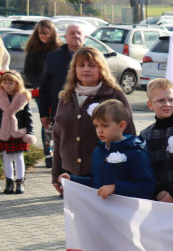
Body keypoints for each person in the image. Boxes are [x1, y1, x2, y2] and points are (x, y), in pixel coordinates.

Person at [60, 99, 154, 251]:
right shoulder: (99, 151)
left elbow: (146, 187)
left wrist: (117, 186)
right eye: (96, 126)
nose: (99, 131)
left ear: (121, 125)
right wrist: (73, 180)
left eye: (104, 125)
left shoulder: (135, 152)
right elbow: (96, 184)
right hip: (103, 224)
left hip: (128, 225)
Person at [51, 47, 135, 195]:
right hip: (71, 175)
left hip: (105, 177)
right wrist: (56, 174)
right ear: (74, 69)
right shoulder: (66, 97)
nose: (86, 69)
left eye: (92, 65)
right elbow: (58, 138)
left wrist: (122, 176)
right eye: (81, 65)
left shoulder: (114, 95)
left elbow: (129, 135)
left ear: (101, 68)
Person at [38, 23, 86, 168]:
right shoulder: (53, 57)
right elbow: (45, 87)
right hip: (61, 110)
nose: (75, 36)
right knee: (63, 148)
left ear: (85, 37)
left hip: (86, 111)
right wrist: (44, 113)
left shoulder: (93, 57)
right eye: (72, 33)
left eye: (79, 33)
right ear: (65, 37)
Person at [22, 19, 61, 169]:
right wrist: (38, 84)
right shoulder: (33, 50)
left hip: (57, 92)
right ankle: (48, 154)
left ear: (52, 33)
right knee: (46, 122)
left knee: (58, 121)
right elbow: (28, 71)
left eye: (45, 33)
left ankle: (59, 153)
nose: (43, 36)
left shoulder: (59, 49)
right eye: (40, 33)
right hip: (41, 92)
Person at [0, 71, 36, 194]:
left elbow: (28, 117)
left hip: (18, 132)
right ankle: (9, 182)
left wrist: (30, 132)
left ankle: (20, 182)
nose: (7, 85)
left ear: (17, 83)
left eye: (10, 83)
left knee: (18, 158)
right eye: (4, 82)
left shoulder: (23, 97)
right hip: (3, 132)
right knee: (6, 158)